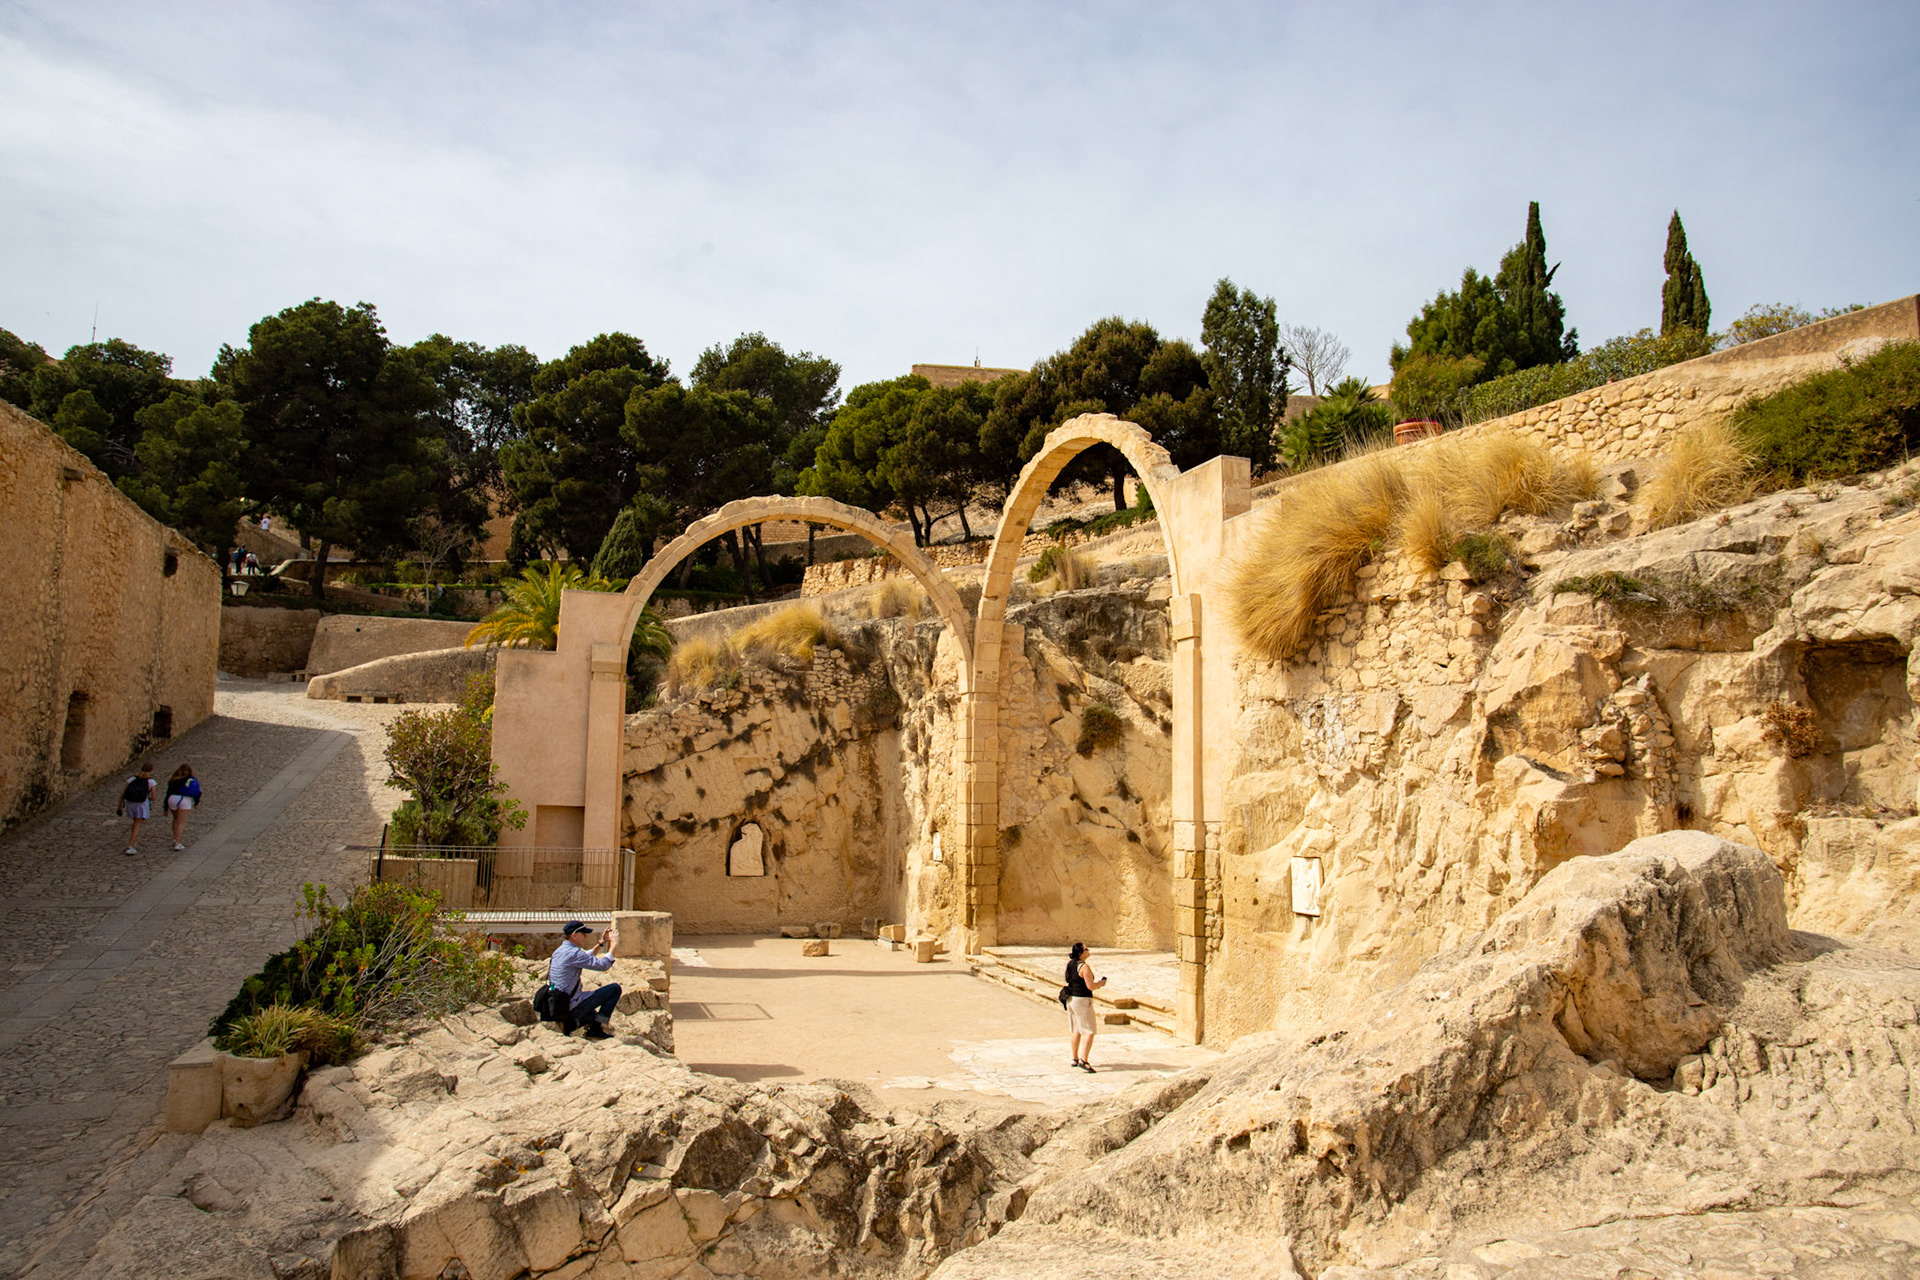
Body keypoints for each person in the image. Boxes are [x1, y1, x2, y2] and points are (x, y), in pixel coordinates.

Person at [547, 920, 622, 1039]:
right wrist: (614, 945)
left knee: (594, 1015)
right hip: (571, 1009)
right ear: (574, 935)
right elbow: (603, 965)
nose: (586, 936)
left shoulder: (560, 951)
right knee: (614, 989)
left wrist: (602, 942)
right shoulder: (574, 953)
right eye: (583, 933)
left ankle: (573, 1025)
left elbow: (585, 957)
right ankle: (595, 1030)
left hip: (560, 1007)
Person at [1065, 941, 1107, 1072]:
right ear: (1081, 953)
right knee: (1089, 1031)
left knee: (1076, 1029)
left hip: (1071, 999)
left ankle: (1074, 1058)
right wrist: (1101, 983)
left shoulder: (1070, 964)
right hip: (1082, 1001)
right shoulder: (1084, 967)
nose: (1088, 951)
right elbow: (1091, 986)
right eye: (1086, 949)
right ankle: (1084, 1059)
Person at [117, 761, 156, 856]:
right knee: (138, 824)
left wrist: (119, 806)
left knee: (135, 822)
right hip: (141, 804)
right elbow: (153, 797)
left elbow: (123, 793)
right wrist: (147, 797)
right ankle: (130, 845)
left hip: (130, 803)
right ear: (151, 771)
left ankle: (133, 841)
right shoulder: (150, 782)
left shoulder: (132, 779)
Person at [164, 763, 201, 850]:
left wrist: (165, 807)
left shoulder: (173, 780)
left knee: (175, 819)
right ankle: (178, 842)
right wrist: (196, 803)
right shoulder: (191, 780)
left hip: (172, 798)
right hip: (185, 799)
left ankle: (175, 837)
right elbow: (197, 792)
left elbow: (168, 793)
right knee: (181, 822)